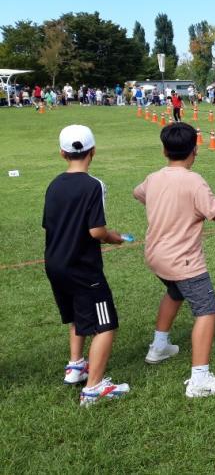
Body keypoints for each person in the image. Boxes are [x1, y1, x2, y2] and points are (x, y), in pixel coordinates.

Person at [133, 122, 215, 398]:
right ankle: (200, 378)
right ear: (195, 150)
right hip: (183, 261)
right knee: (207, 310)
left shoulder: (154, 177)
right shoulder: (193, 181)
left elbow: (139, 193)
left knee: (174, 291)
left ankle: (159, 346)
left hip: (156, 256)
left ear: (164, 150)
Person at [43, 125, 130, 406]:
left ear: (62, 153)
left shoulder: (54, 184)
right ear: (93, 151)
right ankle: (94, 388)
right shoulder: (93, 185)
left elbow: (49, 224)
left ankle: (76, 365)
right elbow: (96, 231)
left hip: (55, 264)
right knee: (105, 325)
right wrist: (114, 238)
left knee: (78, 316)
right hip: (82, 267)